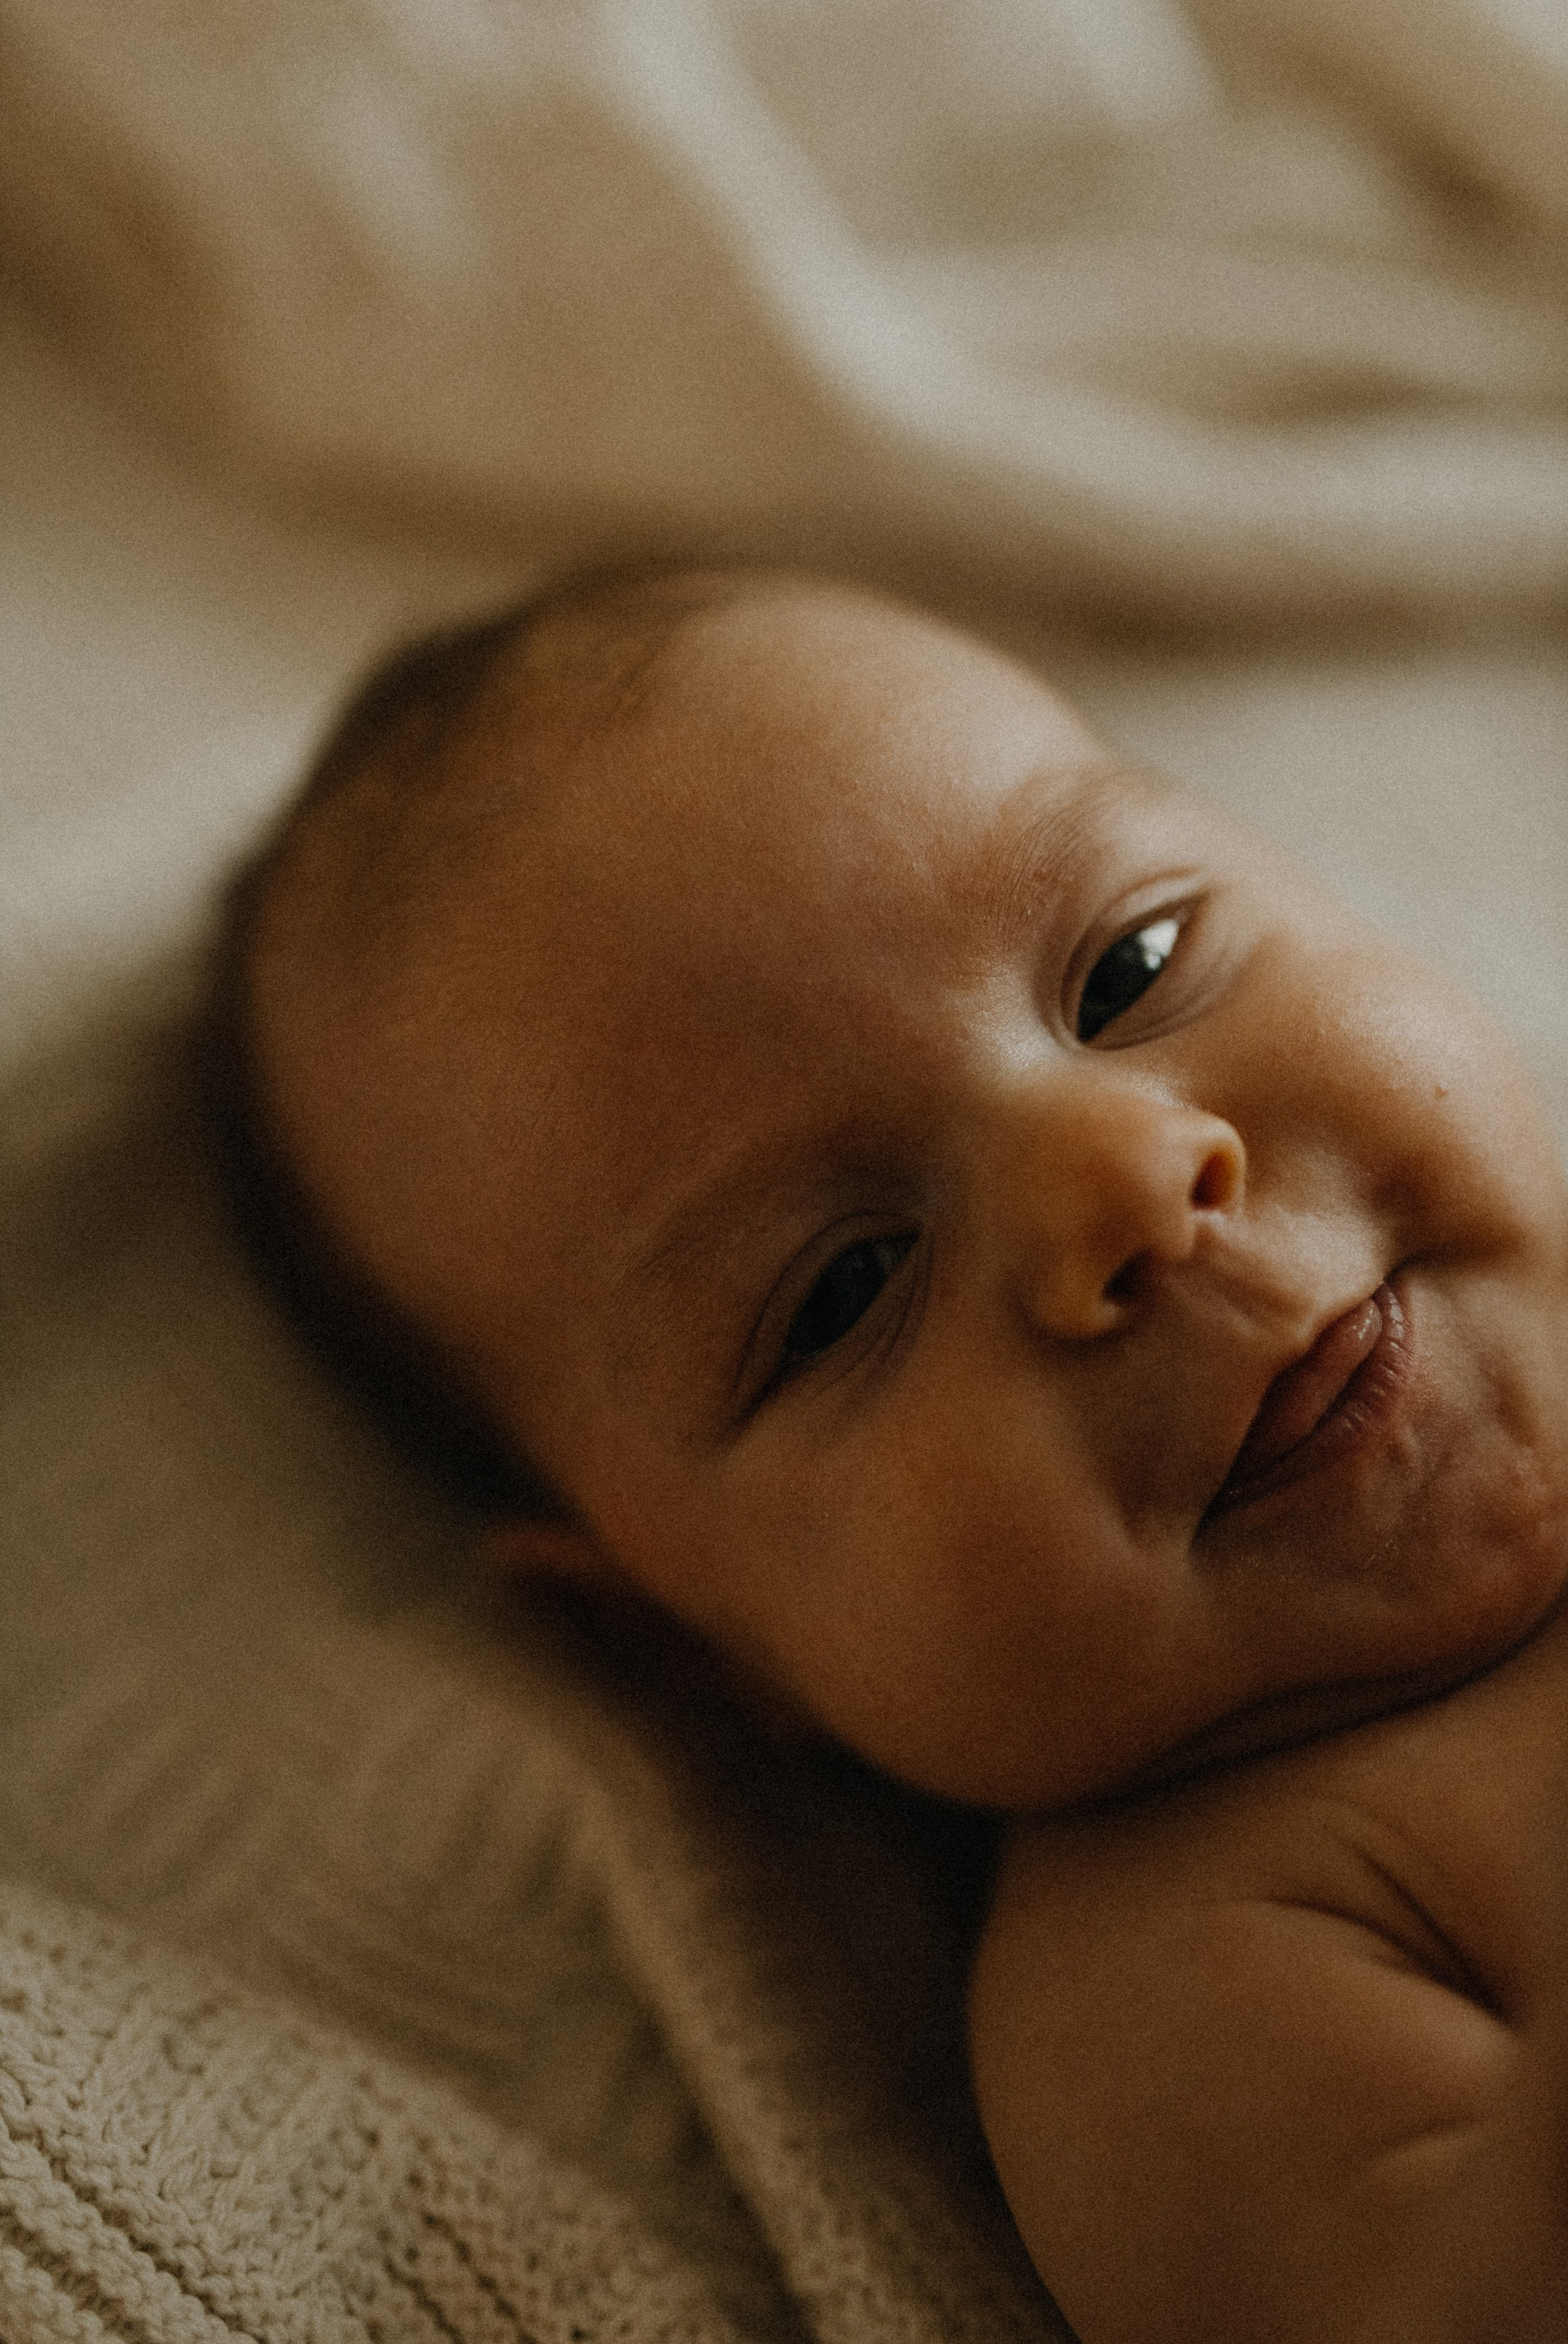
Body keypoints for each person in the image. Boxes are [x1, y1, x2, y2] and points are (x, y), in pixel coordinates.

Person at [211, 565, 1568, 2338]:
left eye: (1128, 967)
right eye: (846, 1289)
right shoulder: (1192, 1962)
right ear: (687, 1643)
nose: (1124, 1180)